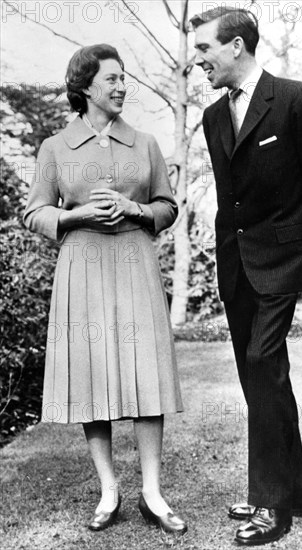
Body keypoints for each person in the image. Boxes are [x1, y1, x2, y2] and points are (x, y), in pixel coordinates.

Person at [190, 7, 302, 546]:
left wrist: (301, 251)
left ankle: (270, 505)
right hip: (236, 261)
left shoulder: (296, 98)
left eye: (204, 49)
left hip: (284, 258)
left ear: (236, 46)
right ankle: (291, 490)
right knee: (262, 374)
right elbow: (230, 196)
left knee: (262, 362)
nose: (197, 60)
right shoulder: (211, 116)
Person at [24, 44, 187, 535]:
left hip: (135, 259)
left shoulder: (146, 143)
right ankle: (109, 490)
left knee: (147, 374)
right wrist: (76, 215)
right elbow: (33, 211)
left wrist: (136, 210)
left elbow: (167, 206)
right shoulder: (55, 147)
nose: (121, 87)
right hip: (83, 265)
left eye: (124, 78)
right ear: (86, 86)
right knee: (93, 377)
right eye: (112, 78)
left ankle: (153, 495)